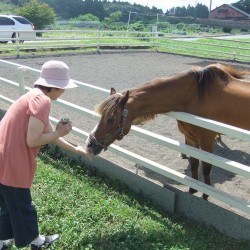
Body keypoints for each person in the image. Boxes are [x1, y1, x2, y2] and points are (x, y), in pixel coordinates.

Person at [0, 60, 92, 249]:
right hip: (13, 161)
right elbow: (33, 140)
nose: (64, 92)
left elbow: (47, 133)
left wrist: (75, 149)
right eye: (63, 87)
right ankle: (37, 242)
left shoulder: (33, 96)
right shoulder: (42, 101)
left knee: (8, 206)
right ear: (55, 86)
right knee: (23, 206)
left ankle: (2, 240)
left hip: (3, 157)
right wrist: (60, 132)